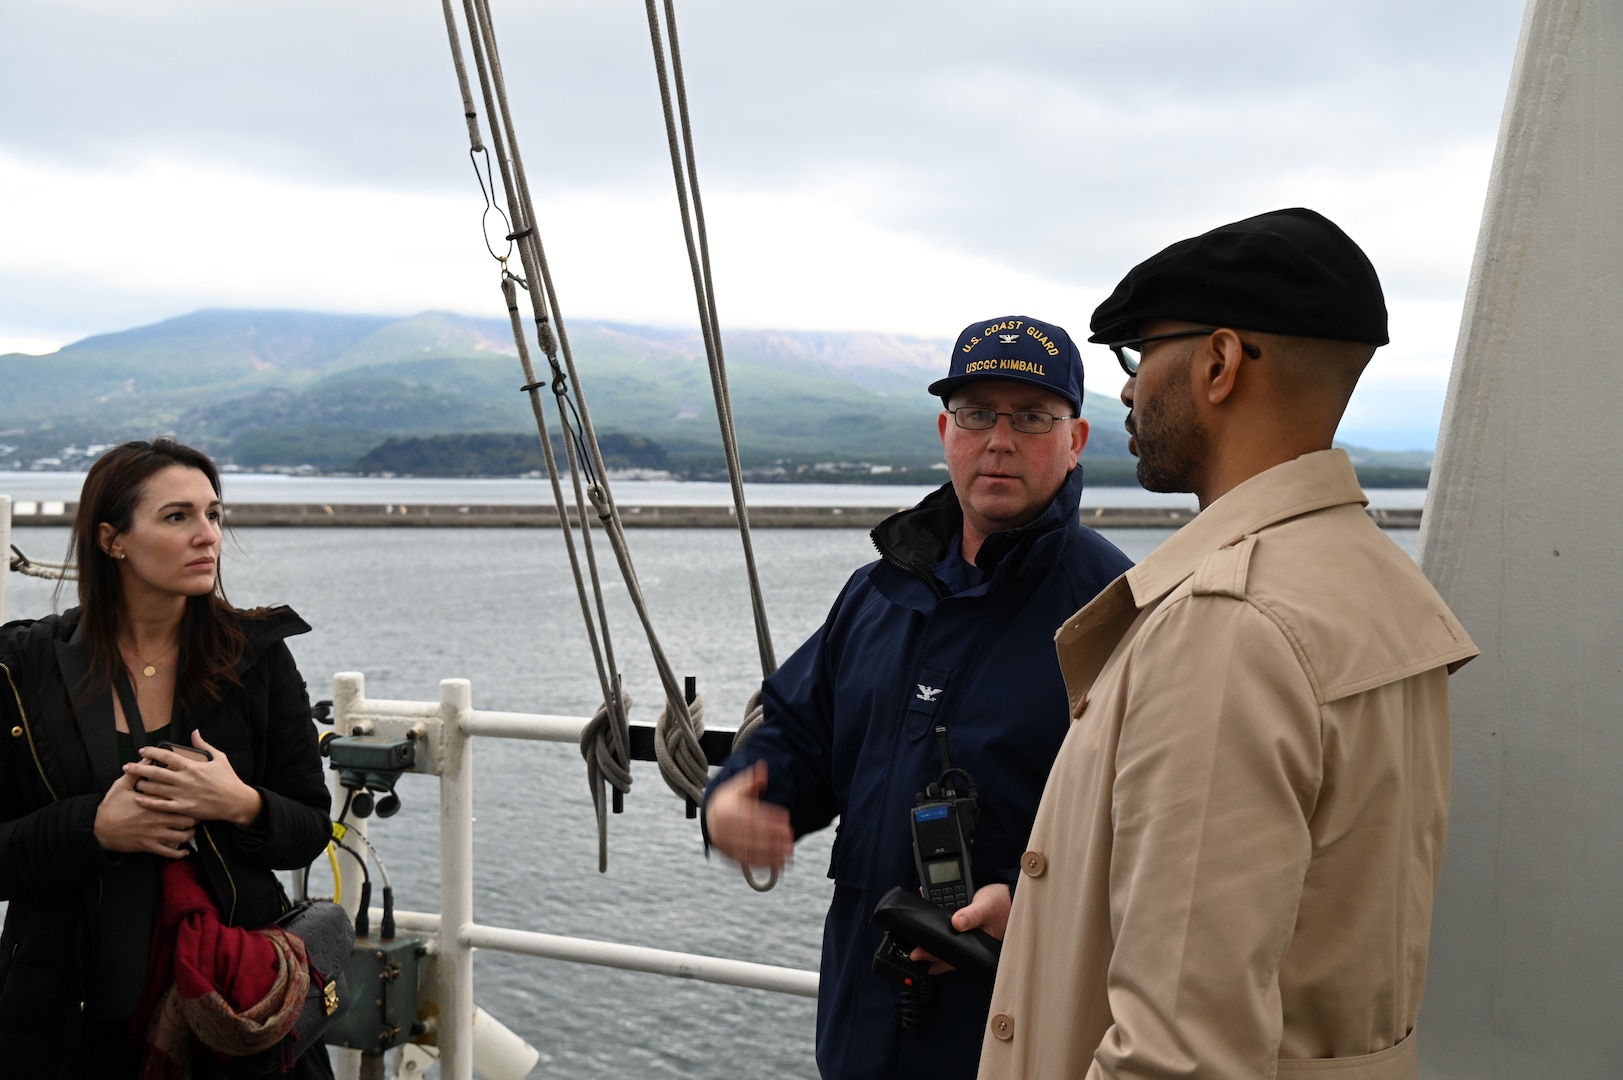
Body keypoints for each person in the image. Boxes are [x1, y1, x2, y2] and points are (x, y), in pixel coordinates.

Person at [978, 209, 1480, 1078]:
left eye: (1140, 354)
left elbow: (1181, 1057)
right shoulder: (1374, 581)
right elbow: (1316, 921)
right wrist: (1057, 928)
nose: (1129, 391)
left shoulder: (1227, 621)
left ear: (1216, 363)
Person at [703, 316, 1133, 1080]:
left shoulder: (1112, 613)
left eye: (1031, 417)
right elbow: (798, 735)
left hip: (1013, 1029)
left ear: (1075, 440)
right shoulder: (877, 591)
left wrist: (1033, 911)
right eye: (975, 414)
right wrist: (739, 794)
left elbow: (1146, 834)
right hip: (858, 1016)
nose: (998, 439)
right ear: (945, 430)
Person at [0, 438, 334, 1078]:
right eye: (177, 517)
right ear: (111, 539)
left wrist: (241, 804)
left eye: (212, 514)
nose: (207, 536)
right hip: (66, 1013)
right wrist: (93, 829)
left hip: (231, 1004)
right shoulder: (25, 667)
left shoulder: (256, 658)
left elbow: (309, 830)